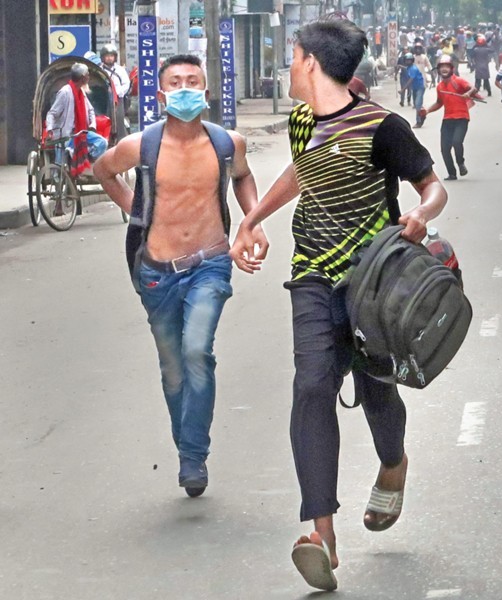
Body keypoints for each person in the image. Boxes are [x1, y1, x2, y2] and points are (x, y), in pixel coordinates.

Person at [228, 19, 448, 592]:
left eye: (291, 55)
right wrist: (252, 218)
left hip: (374, 283)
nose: (287, 64)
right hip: (312, 276)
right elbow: (302, 171)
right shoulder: (303, 121)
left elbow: (432, 184)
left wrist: (422, 214)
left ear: (309, 62)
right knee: (311, 385)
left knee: (378, 389)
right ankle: (321, 533)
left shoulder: (382, 126)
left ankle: (393, 464)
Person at [93, 54, 268, 497]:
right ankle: (185, 448)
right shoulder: (141, 145)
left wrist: (252, 222)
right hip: (156, 271)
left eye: (193, 81)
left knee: (196, 352)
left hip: (210, 262)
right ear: (161, 94)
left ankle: (194, 457)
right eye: (176, 81)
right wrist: (137, 210)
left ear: (206, 93)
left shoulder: (228, 143)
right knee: (172, 369)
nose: (185, 88)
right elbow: (103, 170)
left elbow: (243, 179)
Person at [45, 63, 109, 176]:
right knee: (60, 169)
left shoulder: (82, 92)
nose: (89, 77)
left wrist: (92, 124)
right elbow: (52, 113)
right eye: (88, 75)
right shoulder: (65, 92)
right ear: (83, 77)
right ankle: (58, 179)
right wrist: (50, 128)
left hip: (81, 133)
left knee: (102, 142)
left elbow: (90, 110)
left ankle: (84, 158)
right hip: (66, 134)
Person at [423, 54, 475, 180]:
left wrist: (467, 93)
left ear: (451, 68)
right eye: (442, 67)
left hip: (461, 118)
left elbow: (473, 88)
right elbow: (439, 103)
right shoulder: (440, 87)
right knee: (444, 148)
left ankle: (460, 162)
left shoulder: (458, 81)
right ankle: (452, 173)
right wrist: (428, 110)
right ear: (439, 69)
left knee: (457, 142)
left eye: (446, 67)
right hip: (447, 119)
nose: (444, 69)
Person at [400, 53, 426, 127]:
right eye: (407, 60)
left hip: (420, 88)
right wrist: (400, 67)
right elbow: (406, 68)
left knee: (417, 104)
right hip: (414, 88)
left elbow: (410, 80)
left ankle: (418, 122)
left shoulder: (413, 69)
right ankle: (423, 114)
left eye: (410, 60)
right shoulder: (409, 67)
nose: (408, 62)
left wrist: (403, 90)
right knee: (416, 104)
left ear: (412, 61)